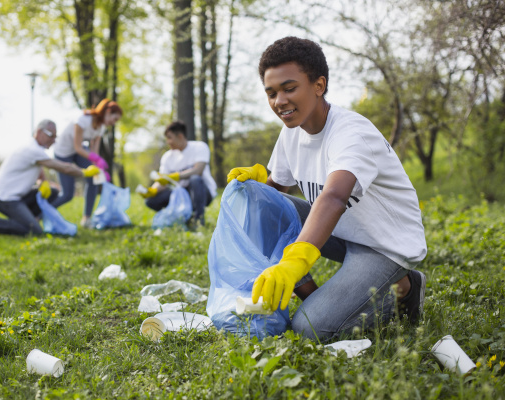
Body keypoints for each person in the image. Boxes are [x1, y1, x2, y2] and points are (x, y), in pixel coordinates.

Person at [227, 37, 427, 341]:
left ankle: (406, 289)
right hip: (342, 232)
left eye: (289, 88)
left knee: (309, 328)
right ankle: (316, 300)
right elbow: (274, 196)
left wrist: (294, 261)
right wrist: (256, 185)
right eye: (271, 93)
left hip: (383, 244)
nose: (279, 101)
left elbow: (334, 197)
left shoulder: (350, 132)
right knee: (258, 202)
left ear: (319, 85)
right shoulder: (291, 133)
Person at [0, 119, 99, 237]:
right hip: (5, 199)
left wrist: (43, 181)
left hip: (17, 198)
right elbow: (63, 168)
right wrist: (84, 173)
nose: (54, 140)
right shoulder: (32, 149)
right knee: (34, 231)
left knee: (53, 193)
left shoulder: (35, 149)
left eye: (56, 137)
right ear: (39, 132)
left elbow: (38, 169)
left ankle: (27, 219)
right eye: (51, 135)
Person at [51, 98, 123, 227]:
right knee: (67, 194)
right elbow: (78, 146)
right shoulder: (83, 120)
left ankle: (87, 219)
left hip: (77, 152)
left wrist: (98, 168)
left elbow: (93, 152)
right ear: (107, 111)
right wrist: (96, 159)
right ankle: (42, 212)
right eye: (115, 118)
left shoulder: (101, 128)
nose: (114, 123)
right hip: (63, 153)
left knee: (93, 179)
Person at [140, 121, 217, 226]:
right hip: (180, 193)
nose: (168, 142)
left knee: (195, 179)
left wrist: (175, 176)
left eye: (169, 137)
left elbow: (198, 170)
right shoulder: (167, 156)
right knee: (151, 201)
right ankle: (179, 218)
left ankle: (198, 220)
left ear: (180, 136)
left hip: (201, 192)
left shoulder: (199, 147)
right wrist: (153, 190)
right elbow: (163, 180)